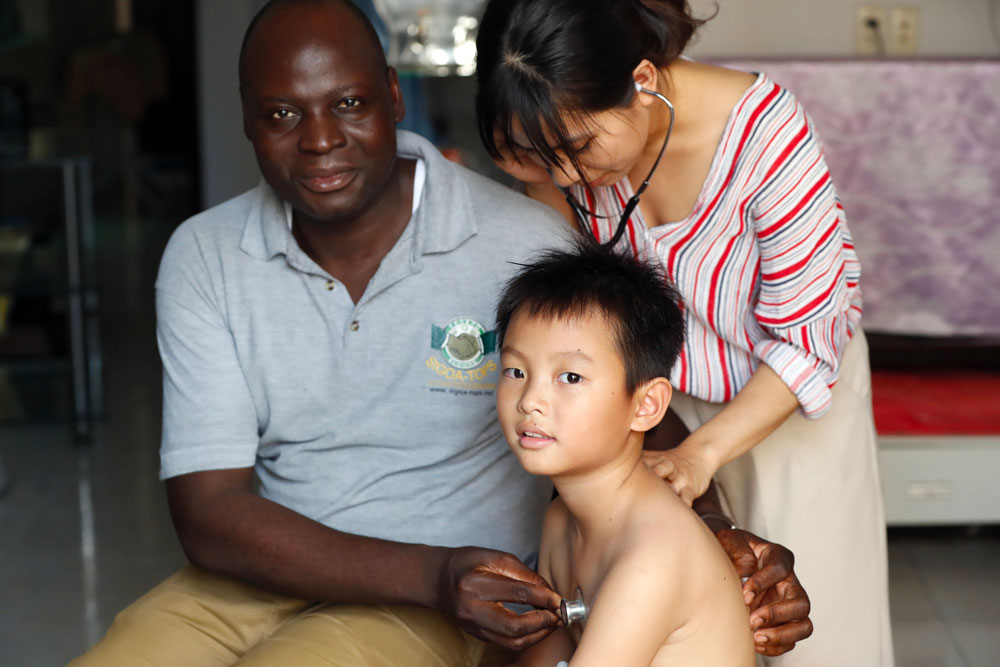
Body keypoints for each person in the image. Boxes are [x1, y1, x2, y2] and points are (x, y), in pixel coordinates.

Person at [71, 1, 812, 665]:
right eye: (281, 115)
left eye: (350, 102)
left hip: (440, 603)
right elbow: (209, 512)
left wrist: (721, 544)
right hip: (261, 573)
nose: (320, 139)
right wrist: (436, 571)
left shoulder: (523, 238)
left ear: (394, 95)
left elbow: (620, 400)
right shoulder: (205, 255)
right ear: (246, 120)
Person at [475, 1, 893, 665]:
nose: (565, 180)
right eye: (536, 157)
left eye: (579, 150)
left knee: (804, 632)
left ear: (643, 80)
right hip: (656, 404)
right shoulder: (559, 145)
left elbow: (809, 339)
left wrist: (702, 456)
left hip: (790, 394)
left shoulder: (766, 133)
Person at [495, 241, 755, 666]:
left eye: (571, 376)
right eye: (516, 371)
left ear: (646, 405)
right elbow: (547, 650)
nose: (530, 401)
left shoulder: (653, 556)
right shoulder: (561, 520)